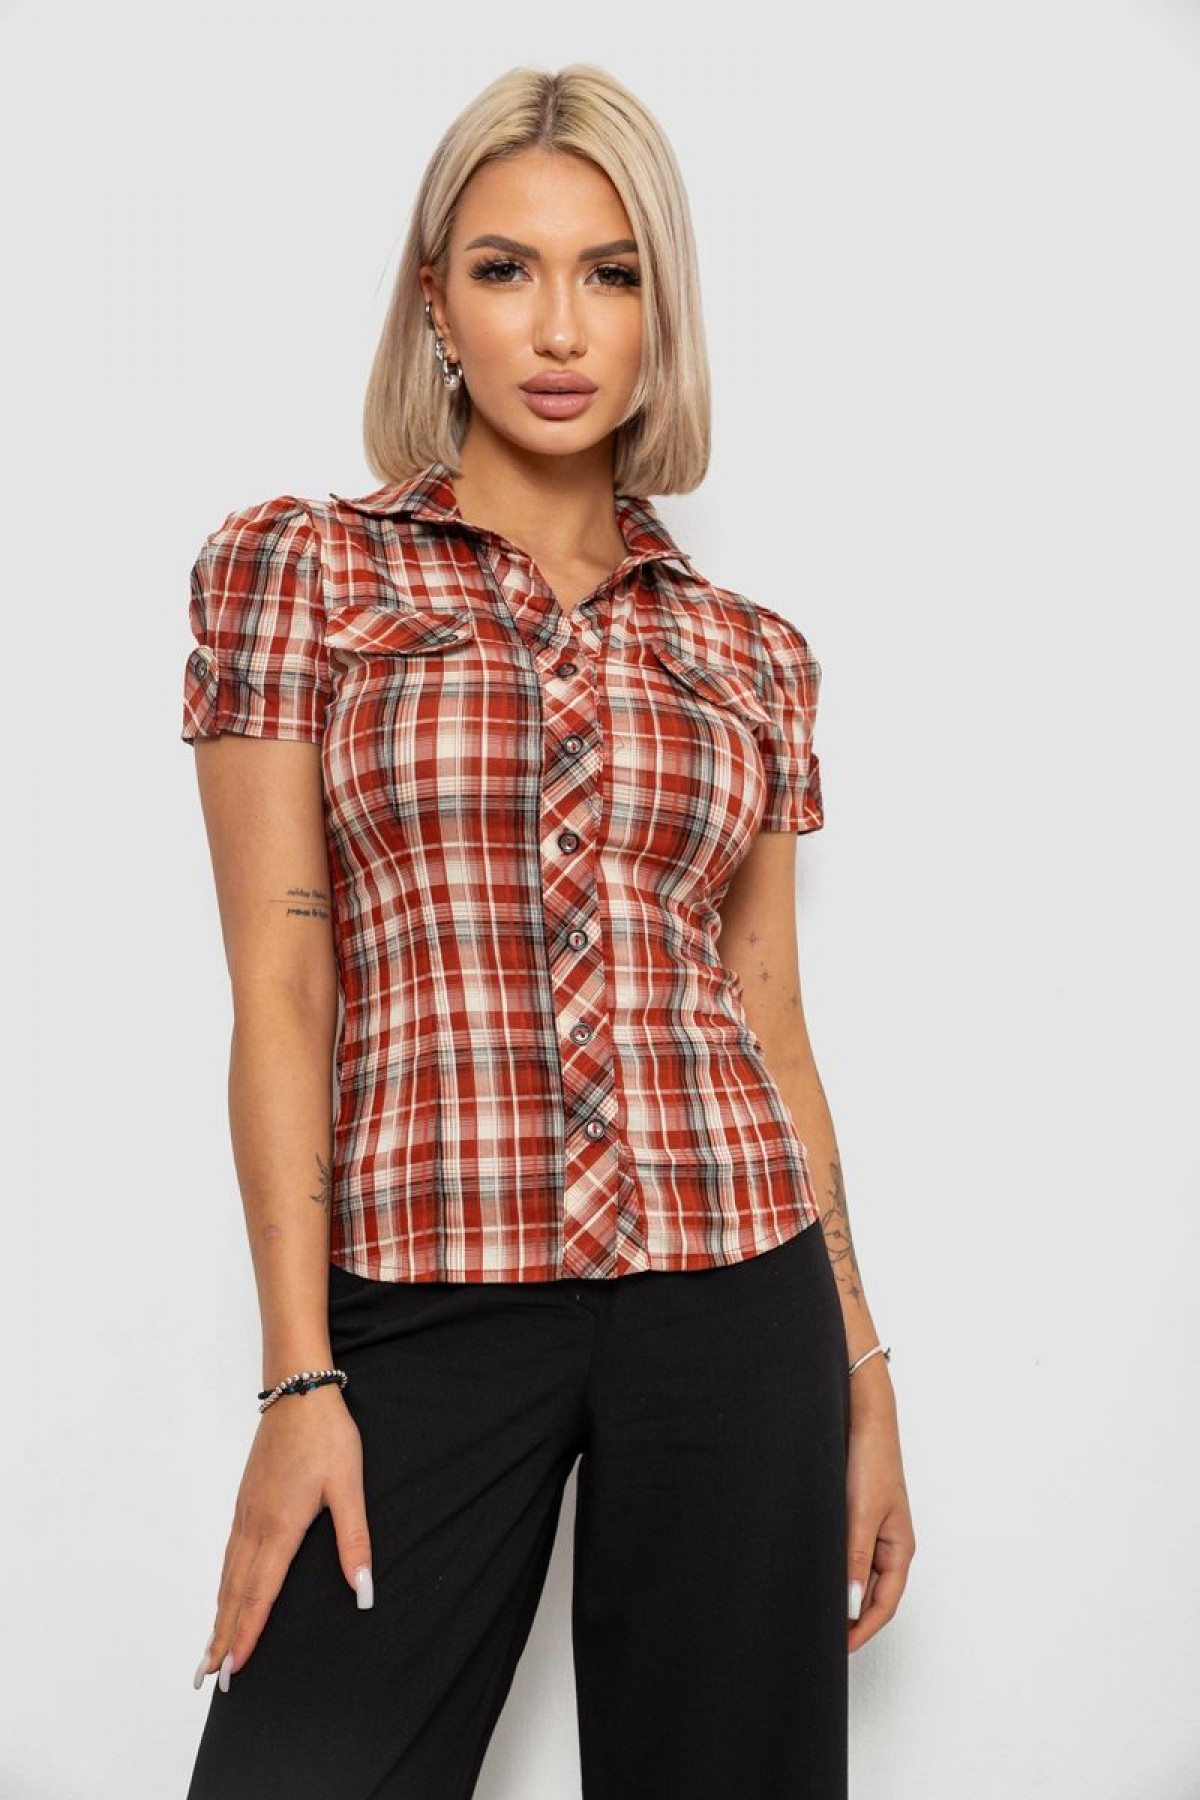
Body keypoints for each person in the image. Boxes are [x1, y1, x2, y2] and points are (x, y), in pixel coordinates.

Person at [180, 61, 915, 1800]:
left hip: (733, 1291)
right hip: (425, 1290)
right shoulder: (304, 572)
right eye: (507, 269)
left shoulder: (749, 651)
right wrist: (298, 1383)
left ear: (662, 310)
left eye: (612, 272)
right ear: (436, 303)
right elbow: (282, 985)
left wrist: (863, 1367)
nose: (561, 326)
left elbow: (768, 1017)